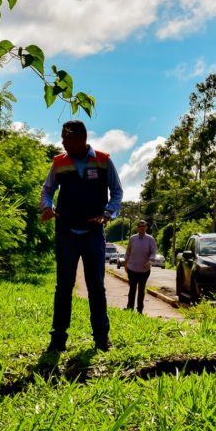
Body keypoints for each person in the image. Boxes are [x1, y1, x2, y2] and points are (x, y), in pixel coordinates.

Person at [40, 120, 123, 352]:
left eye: (67, 137)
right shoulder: (59, 162)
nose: (63, 142)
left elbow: (117, 192)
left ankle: (101, 338)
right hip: (66, 230)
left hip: (93, 233)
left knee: (96, 285)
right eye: (62, 137)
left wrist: (108, 213)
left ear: (81, 138)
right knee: (63, 286)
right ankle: (57, 340)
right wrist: (47, 206)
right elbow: (47, 189)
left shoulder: (104, 160)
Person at [124, 220, 157, 313]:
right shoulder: (132, 238)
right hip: (132, 268)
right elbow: (128, 251)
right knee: (132, 289)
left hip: (144, 270)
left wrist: (150, 261)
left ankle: (139, 310)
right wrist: (125, 263)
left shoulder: (150, 239)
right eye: (140, 226)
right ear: (137, 228)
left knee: (141, 290)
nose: (142, 228)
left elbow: (154, 252)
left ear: (146, 227)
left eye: (144, 226)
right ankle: (130, 308)